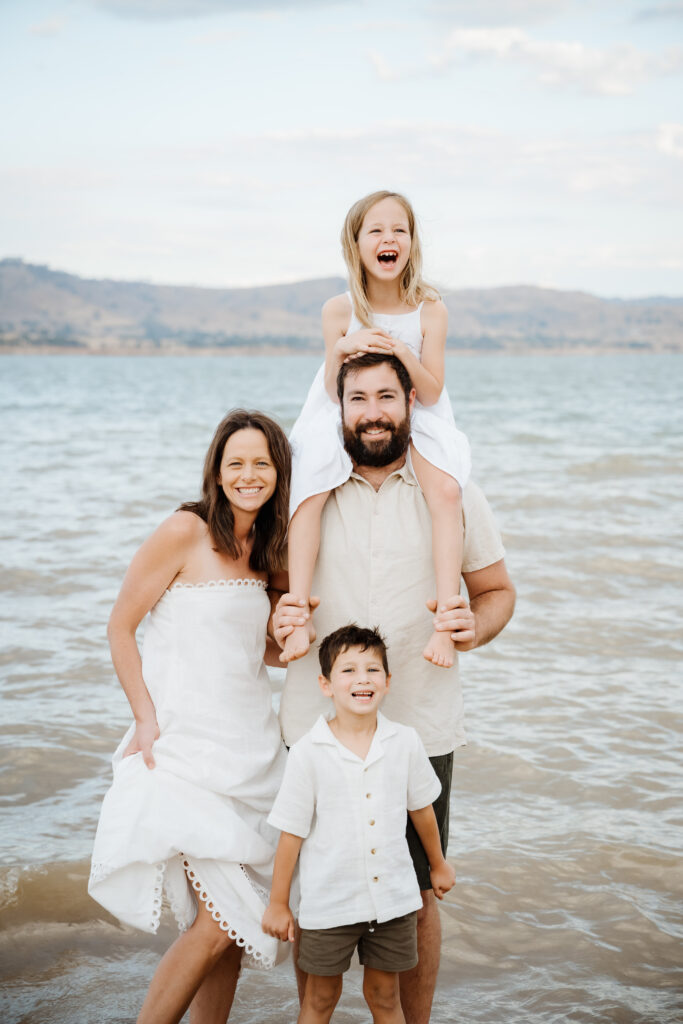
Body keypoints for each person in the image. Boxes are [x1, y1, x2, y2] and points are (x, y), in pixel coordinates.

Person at [272, 353, 516, 1024]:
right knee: (315, 892)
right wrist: (277, 622)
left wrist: (472, 628)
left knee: (418, 893)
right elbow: (269, 601)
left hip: (421, 724)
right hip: (314, 725)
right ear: (337, 406)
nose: (373, 412)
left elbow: (496, 591)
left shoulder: (453, 491)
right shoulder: (303, 494)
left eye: (387, 396)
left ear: (412, 403)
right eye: (358, 398)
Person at [89, 409, 291, 1024]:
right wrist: (145, 719)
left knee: (228, 929)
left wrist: (297, 636)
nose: (249, 475)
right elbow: (120, 626)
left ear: (279, 472)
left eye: (262, 463)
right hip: (184, 751)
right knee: (218, 926)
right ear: (217, 472)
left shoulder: (269, 551)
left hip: (252, 752)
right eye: (236, 463)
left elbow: (261, 651)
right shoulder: (185, 531)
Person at [282, 190, 471, 670]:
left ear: (411, 242)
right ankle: (299, 611)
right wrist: (345, 347)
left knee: (447, 491)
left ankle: (445, 622)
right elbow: (332, 389)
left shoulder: (430, 309)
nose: (389, 238)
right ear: (357, 243)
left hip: (414, 409)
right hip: (346, 409)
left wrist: (403, 352)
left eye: (399, 230)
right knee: (309, 485)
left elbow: (431, 391)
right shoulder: (338, 310)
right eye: (377, 230)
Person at [262, 625, 456, 1024]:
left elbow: (422, 810)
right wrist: (278, 903)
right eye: (348, 670)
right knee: (320, 998)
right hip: (329, 901)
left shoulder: (405, 742)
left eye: (372, 670)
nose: (362, 679)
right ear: (326, 685)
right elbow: (291, 832)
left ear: (388, 681)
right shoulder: (308, 752)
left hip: (392, 900)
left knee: (385, 996)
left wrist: (438, 864)